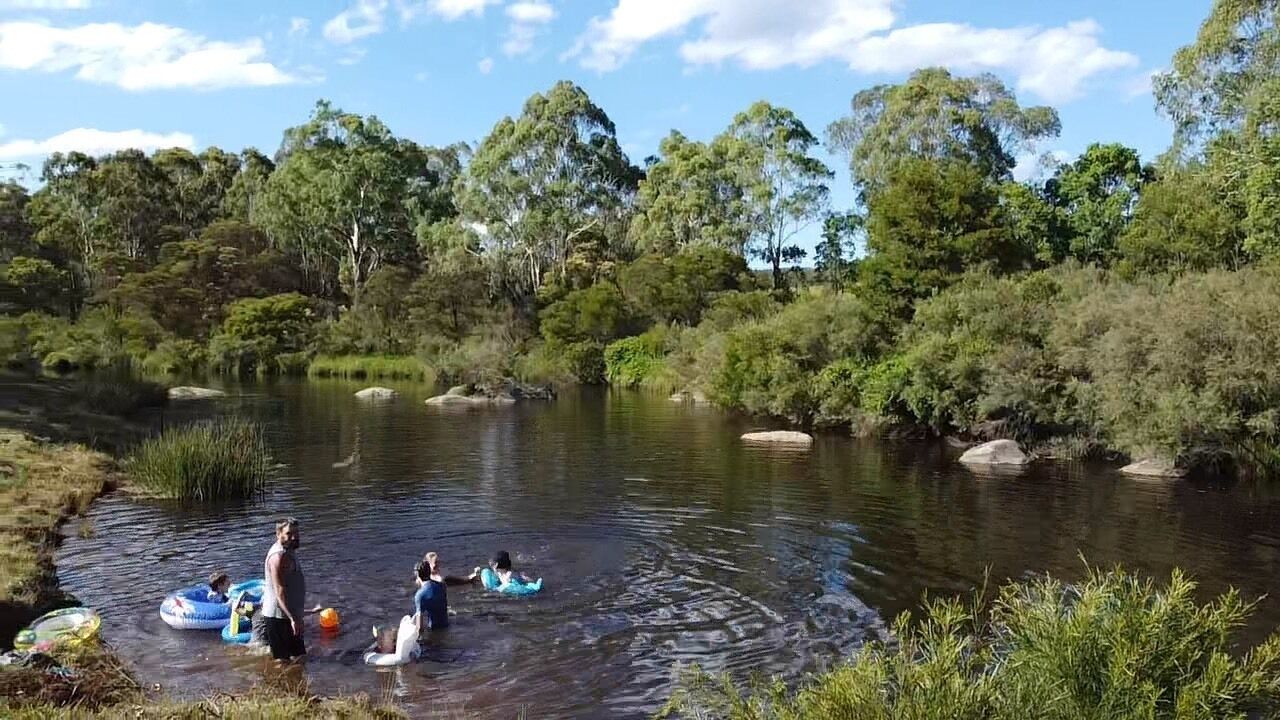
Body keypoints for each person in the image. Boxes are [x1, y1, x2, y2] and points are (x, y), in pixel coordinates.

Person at [261, 517, 307, 662]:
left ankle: (294, 683)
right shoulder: (279, 558)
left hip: (288, 614)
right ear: (278, 534)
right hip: (279, 616)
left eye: (296, 533)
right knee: (283, 661)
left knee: (299, 658)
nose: (294, 537)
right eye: (289, 533)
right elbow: (279, 591)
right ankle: (279, 684)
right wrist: (293, 619)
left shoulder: (288, 551)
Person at [413, 552, 476, 635]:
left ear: (417, 574)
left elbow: (420, 627)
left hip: (433, 630)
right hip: (446, 626)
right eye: (436, 563)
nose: (438, 565)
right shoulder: (442, 585)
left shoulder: (420, 595)